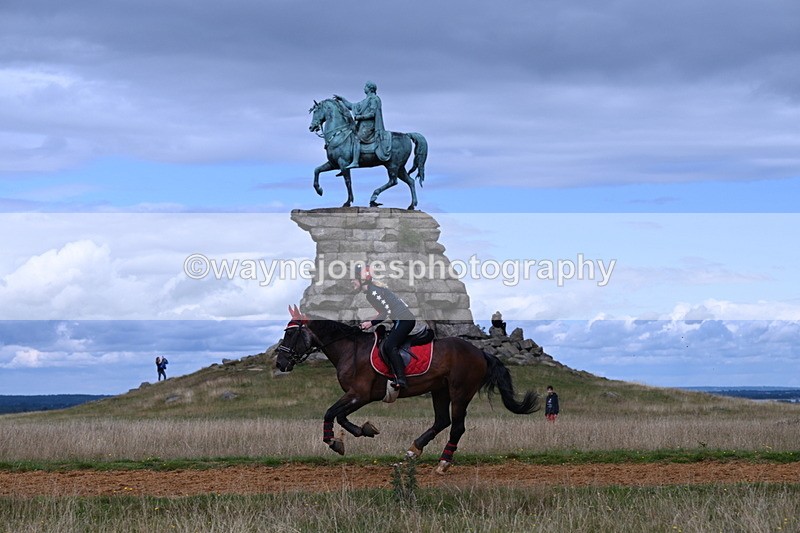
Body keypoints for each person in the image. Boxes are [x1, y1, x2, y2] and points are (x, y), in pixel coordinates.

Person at [352, 264, 426, 390]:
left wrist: (370, 324)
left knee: (389, 345)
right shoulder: (371, 292)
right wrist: (369, 321)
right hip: (401, 320)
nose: (352, 281)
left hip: (404, 321)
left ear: (362, 279)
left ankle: (401, 379)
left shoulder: (373, 292)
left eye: (354, 278)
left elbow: (385, 313)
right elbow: (381, 311)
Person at [333, 81, 390, 169]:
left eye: (365, 87)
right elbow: (352, 106)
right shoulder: (365, 100)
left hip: (369, 127)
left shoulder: (374, 99)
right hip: (362, 126)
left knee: (356, 138)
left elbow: (373, 114)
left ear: (370, 88)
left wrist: (360, 117)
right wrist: (342, 99)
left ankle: (355, 161)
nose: (364, 88)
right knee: (349, 136)